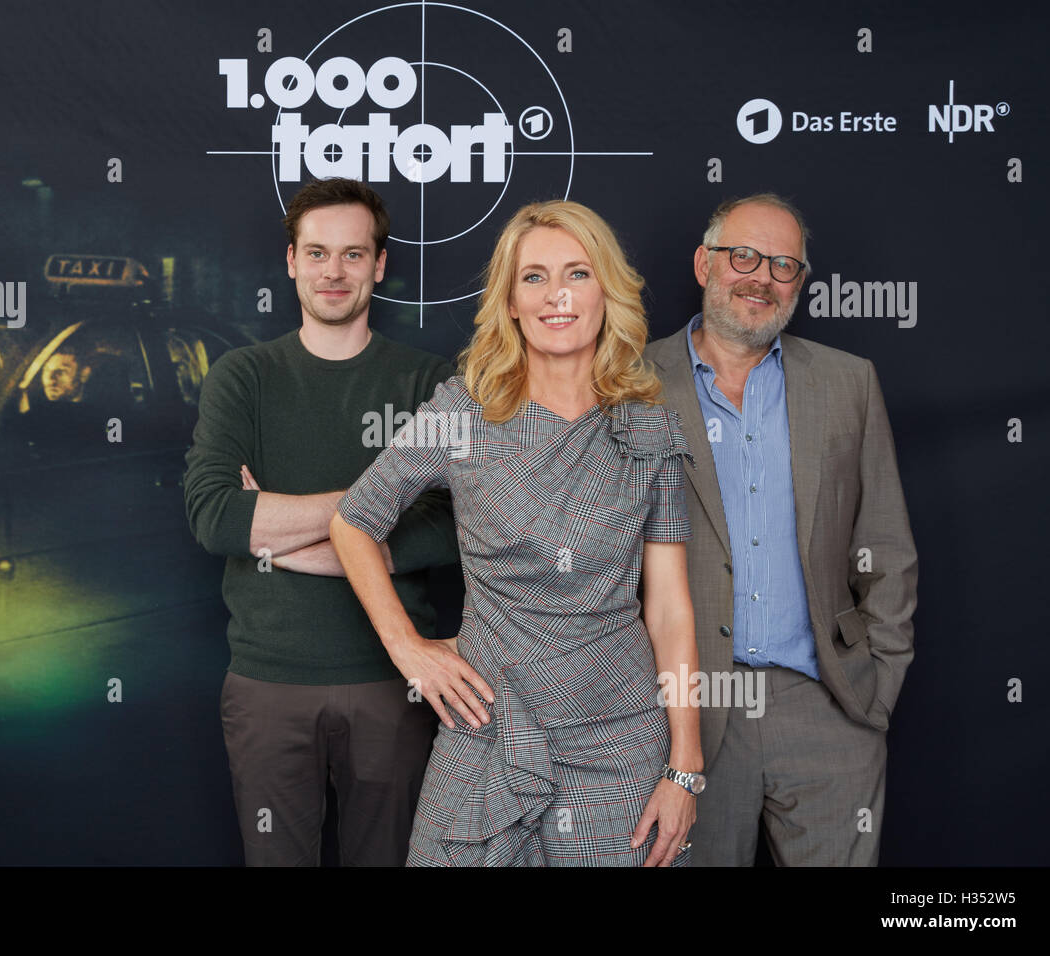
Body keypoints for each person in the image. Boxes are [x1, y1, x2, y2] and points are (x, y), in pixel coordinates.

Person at [331, 200, 704, 866]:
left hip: (618, 745)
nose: (555, 296)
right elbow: (354, 519)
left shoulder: (650, 427)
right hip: (485, 730)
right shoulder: (463, 412)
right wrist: (406, 646)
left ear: (606, 292)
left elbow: (671, 609)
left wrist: (684, 767)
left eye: (577, 275)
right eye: (533, 277)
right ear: (508, 300)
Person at [183, 178, 460, 866]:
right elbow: (218, 517)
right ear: (290, 262)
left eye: (353, 254)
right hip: (269, 685)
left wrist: (279, 534)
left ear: (380, 265)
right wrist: (372, 510)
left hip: (394, 679)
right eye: (317, 254)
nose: (333, 272)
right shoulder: (243, 377)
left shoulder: (430, 384)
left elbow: (447, 531)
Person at [641, 193, 918, 865]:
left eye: (784, 265)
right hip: (685, 710)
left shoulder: (848, 383)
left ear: (799, 281)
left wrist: (874, 689)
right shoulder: (632, 381)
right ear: (705, 263)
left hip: (824, 704)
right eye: (744, 256)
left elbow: (885, 544)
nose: (761, 277)